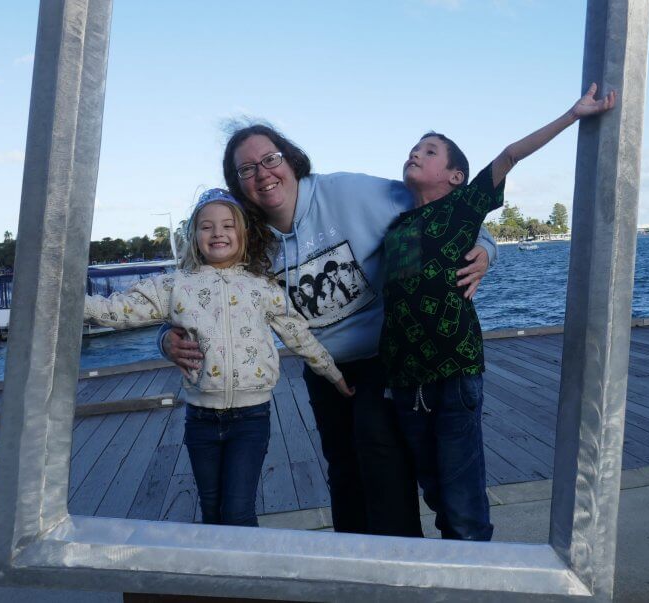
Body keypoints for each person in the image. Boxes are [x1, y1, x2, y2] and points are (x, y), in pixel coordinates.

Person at [160, 124, 498, 537]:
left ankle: (398, 567)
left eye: (270, 159)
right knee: (342, 469)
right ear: (238, 184)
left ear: (290, 159)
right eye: (246, 169)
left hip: (383, 357)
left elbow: (446, 205)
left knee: (381, 459)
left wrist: (485, 247)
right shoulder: (248, 238)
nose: (263, 174)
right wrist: (167, 338)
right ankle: (352, 568)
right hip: (324, 368)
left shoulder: (348, 193)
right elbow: (197, 289)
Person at [381, 84, 617, 541]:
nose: (416, 152)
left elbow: (511, 154)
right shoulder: (398, 226)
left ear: (454, 177)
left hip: (454, 371)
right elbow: (400, 293)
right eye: (413, 148)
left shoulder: (463, 206)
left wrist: (573, 114)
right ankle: (455, 574)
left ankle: (475, 572)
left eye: (429, 151)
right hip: (405, 380)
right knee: (434, 491)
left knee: (463, 494)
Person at [85, 188, 353, 527]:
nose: (218, 233)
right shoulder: (175, 286)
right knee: (212, 512)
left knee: (238, 512)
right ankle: (221, 578)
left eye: (228, 225)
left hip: (251, 417)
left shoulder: (262, 286)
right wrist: (65, 296)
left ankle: (247, 579)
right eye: (207, 226)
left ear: (241, 234)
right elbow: (117, 310)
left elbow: (298, 334)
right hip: (201, 418)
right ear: (194, 236)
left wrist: (333, 374)